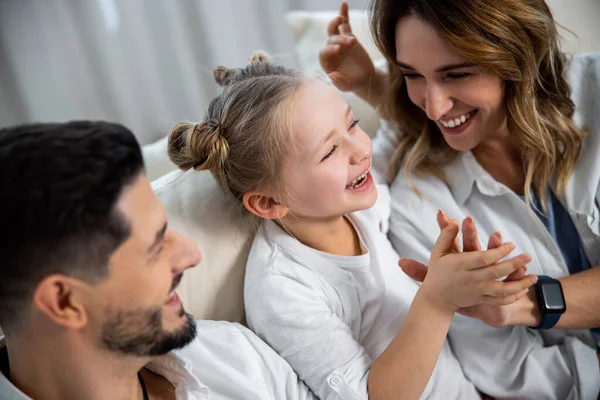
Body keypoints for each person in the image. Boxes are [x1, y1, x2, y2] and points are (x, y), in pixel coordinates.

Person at [168, 52, 540, 399]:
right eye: (330, 151)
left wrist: (367, 80)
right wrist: (439, 300)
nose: (361, 149)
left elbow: (399, 132)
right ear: (269, 202)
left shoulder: (356, 199)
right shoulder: (283, 291)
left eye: (353, 124)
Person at [319, 1, 600, 398]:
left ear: (516, 55)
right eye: (411, 75)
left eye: (458, 74)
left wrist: (524, 305)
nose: (434, 107)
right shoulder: (421, 202)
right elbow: (511, 374)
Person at [0, 121, 317, 400]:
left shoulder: (234, 358)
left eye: (168, 229)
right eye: (154, 247)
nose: (192, 255)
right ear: (64, 301)